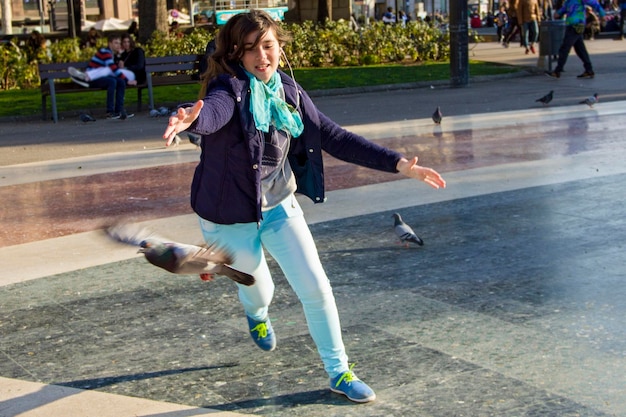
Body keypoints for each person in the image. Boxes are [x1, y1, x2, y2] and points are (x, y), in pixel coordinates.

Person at [162, 10, 446, 404]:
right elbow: (212, 113)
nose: (261, 57)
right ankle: (257, 315)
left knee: (316, 287)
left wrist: (398, 164)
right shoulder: (229, 90)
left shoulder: (289, 93)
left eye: (267, 46)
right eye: (249, 50)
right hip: (229, 217)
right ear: (236, 55)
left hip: (278, 206)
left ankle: (339, 371)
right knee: (260, 291)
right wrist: (191, 120)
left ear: (279, 46)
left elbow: (334, 136)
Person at [67, 34, 135, 119]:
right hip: (93, 79)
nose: (118, 45)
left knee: (120, 82)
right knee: (112, 82)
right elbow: (113, 68)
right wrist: (127, 79)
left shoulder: (111, 53)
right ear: (110, 44)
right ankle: (110, 112)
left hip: (100, 77)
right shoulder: (105, 52)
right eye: (116, 43)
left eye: (119, 43)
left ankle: (119, 110)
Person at [545, 0, 605, 79]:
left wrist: (602, 15)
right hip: (571, 26)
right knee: (580, 50)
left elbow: (594, 3)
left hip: (576, 26)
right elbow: (563, 9)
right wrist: (558, 13)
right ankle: (589, 70)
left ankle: (557, 71)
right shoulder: (568, 1)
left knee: (565, 48)